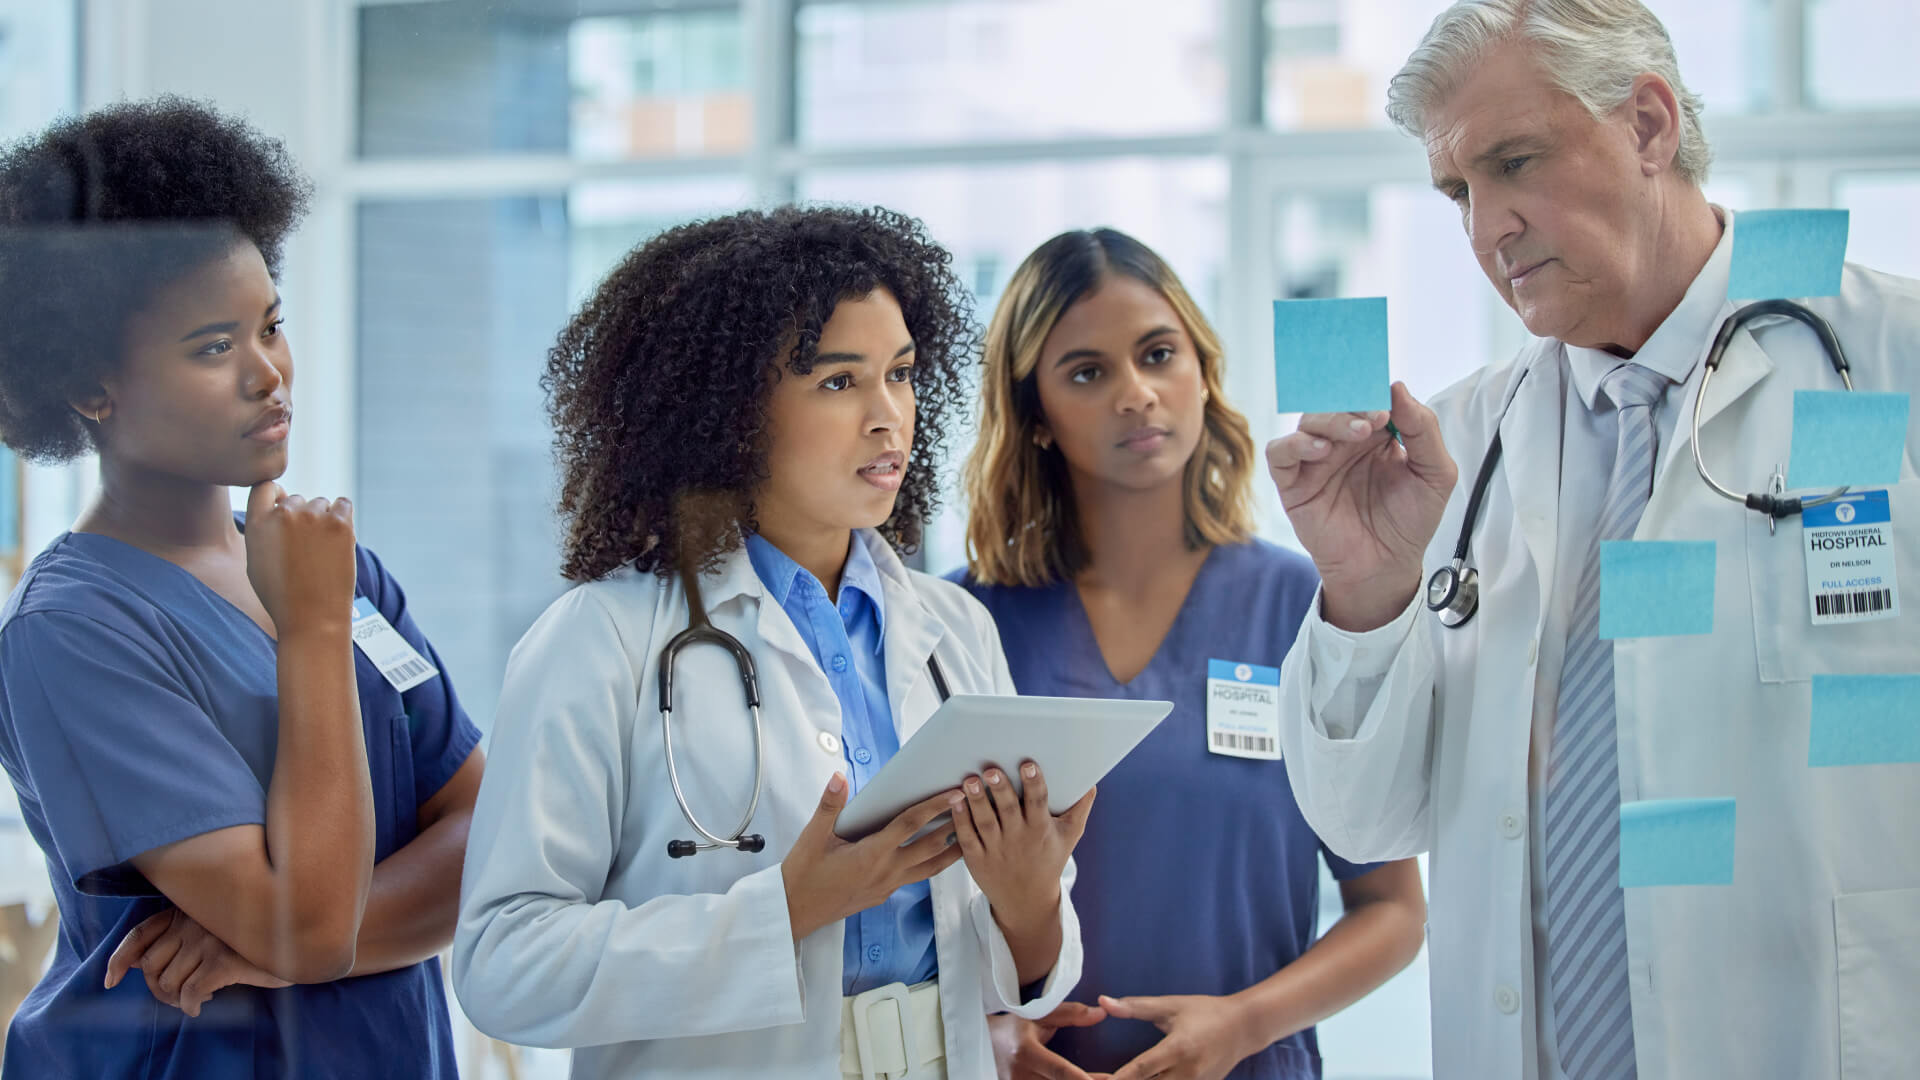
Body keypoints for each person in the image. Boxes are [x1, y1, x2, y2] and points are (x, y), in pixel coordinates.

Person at [1265, 3, 1920, 1079]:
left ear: (1650, 126)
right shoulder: (1454, 449)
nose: (1486, 230)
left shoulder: (1888, 362)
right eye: (1458, 193)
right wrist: (1368, 597)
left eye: (1514, 163)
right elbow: (1369, 822)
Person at [452, 205, 1090, 1080]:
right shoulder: (601, 641)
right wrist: (783, 911)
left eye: (901, 375)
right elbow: (502, 964)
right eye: (838, 382)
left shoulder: (953, 629)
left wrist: (1030, 906)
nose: (887, 418)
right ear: (728, 410)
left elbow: (1010, 974)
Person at [0, 98, 483, 1078]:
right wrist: (308, 631)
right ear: (93, 387)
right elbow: (308, 929)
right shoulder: (72, 634)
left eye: (271, 326)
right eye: (214, 348)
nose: (269, 373)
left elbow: (492, 842)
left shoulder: (333, 564)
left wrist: (260, 950)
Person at [954, 228, 1426, 1080]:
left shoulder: (1304, 607)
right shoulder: (958, 624)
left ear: (1202, 372)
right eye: (1087, 372)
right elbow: (899, 902)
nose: (1137, 394)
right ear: (1037, 421)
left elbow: (1391, 909)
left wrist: (1242, 1026)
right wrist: (982, 1034)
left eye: (1158, 353)